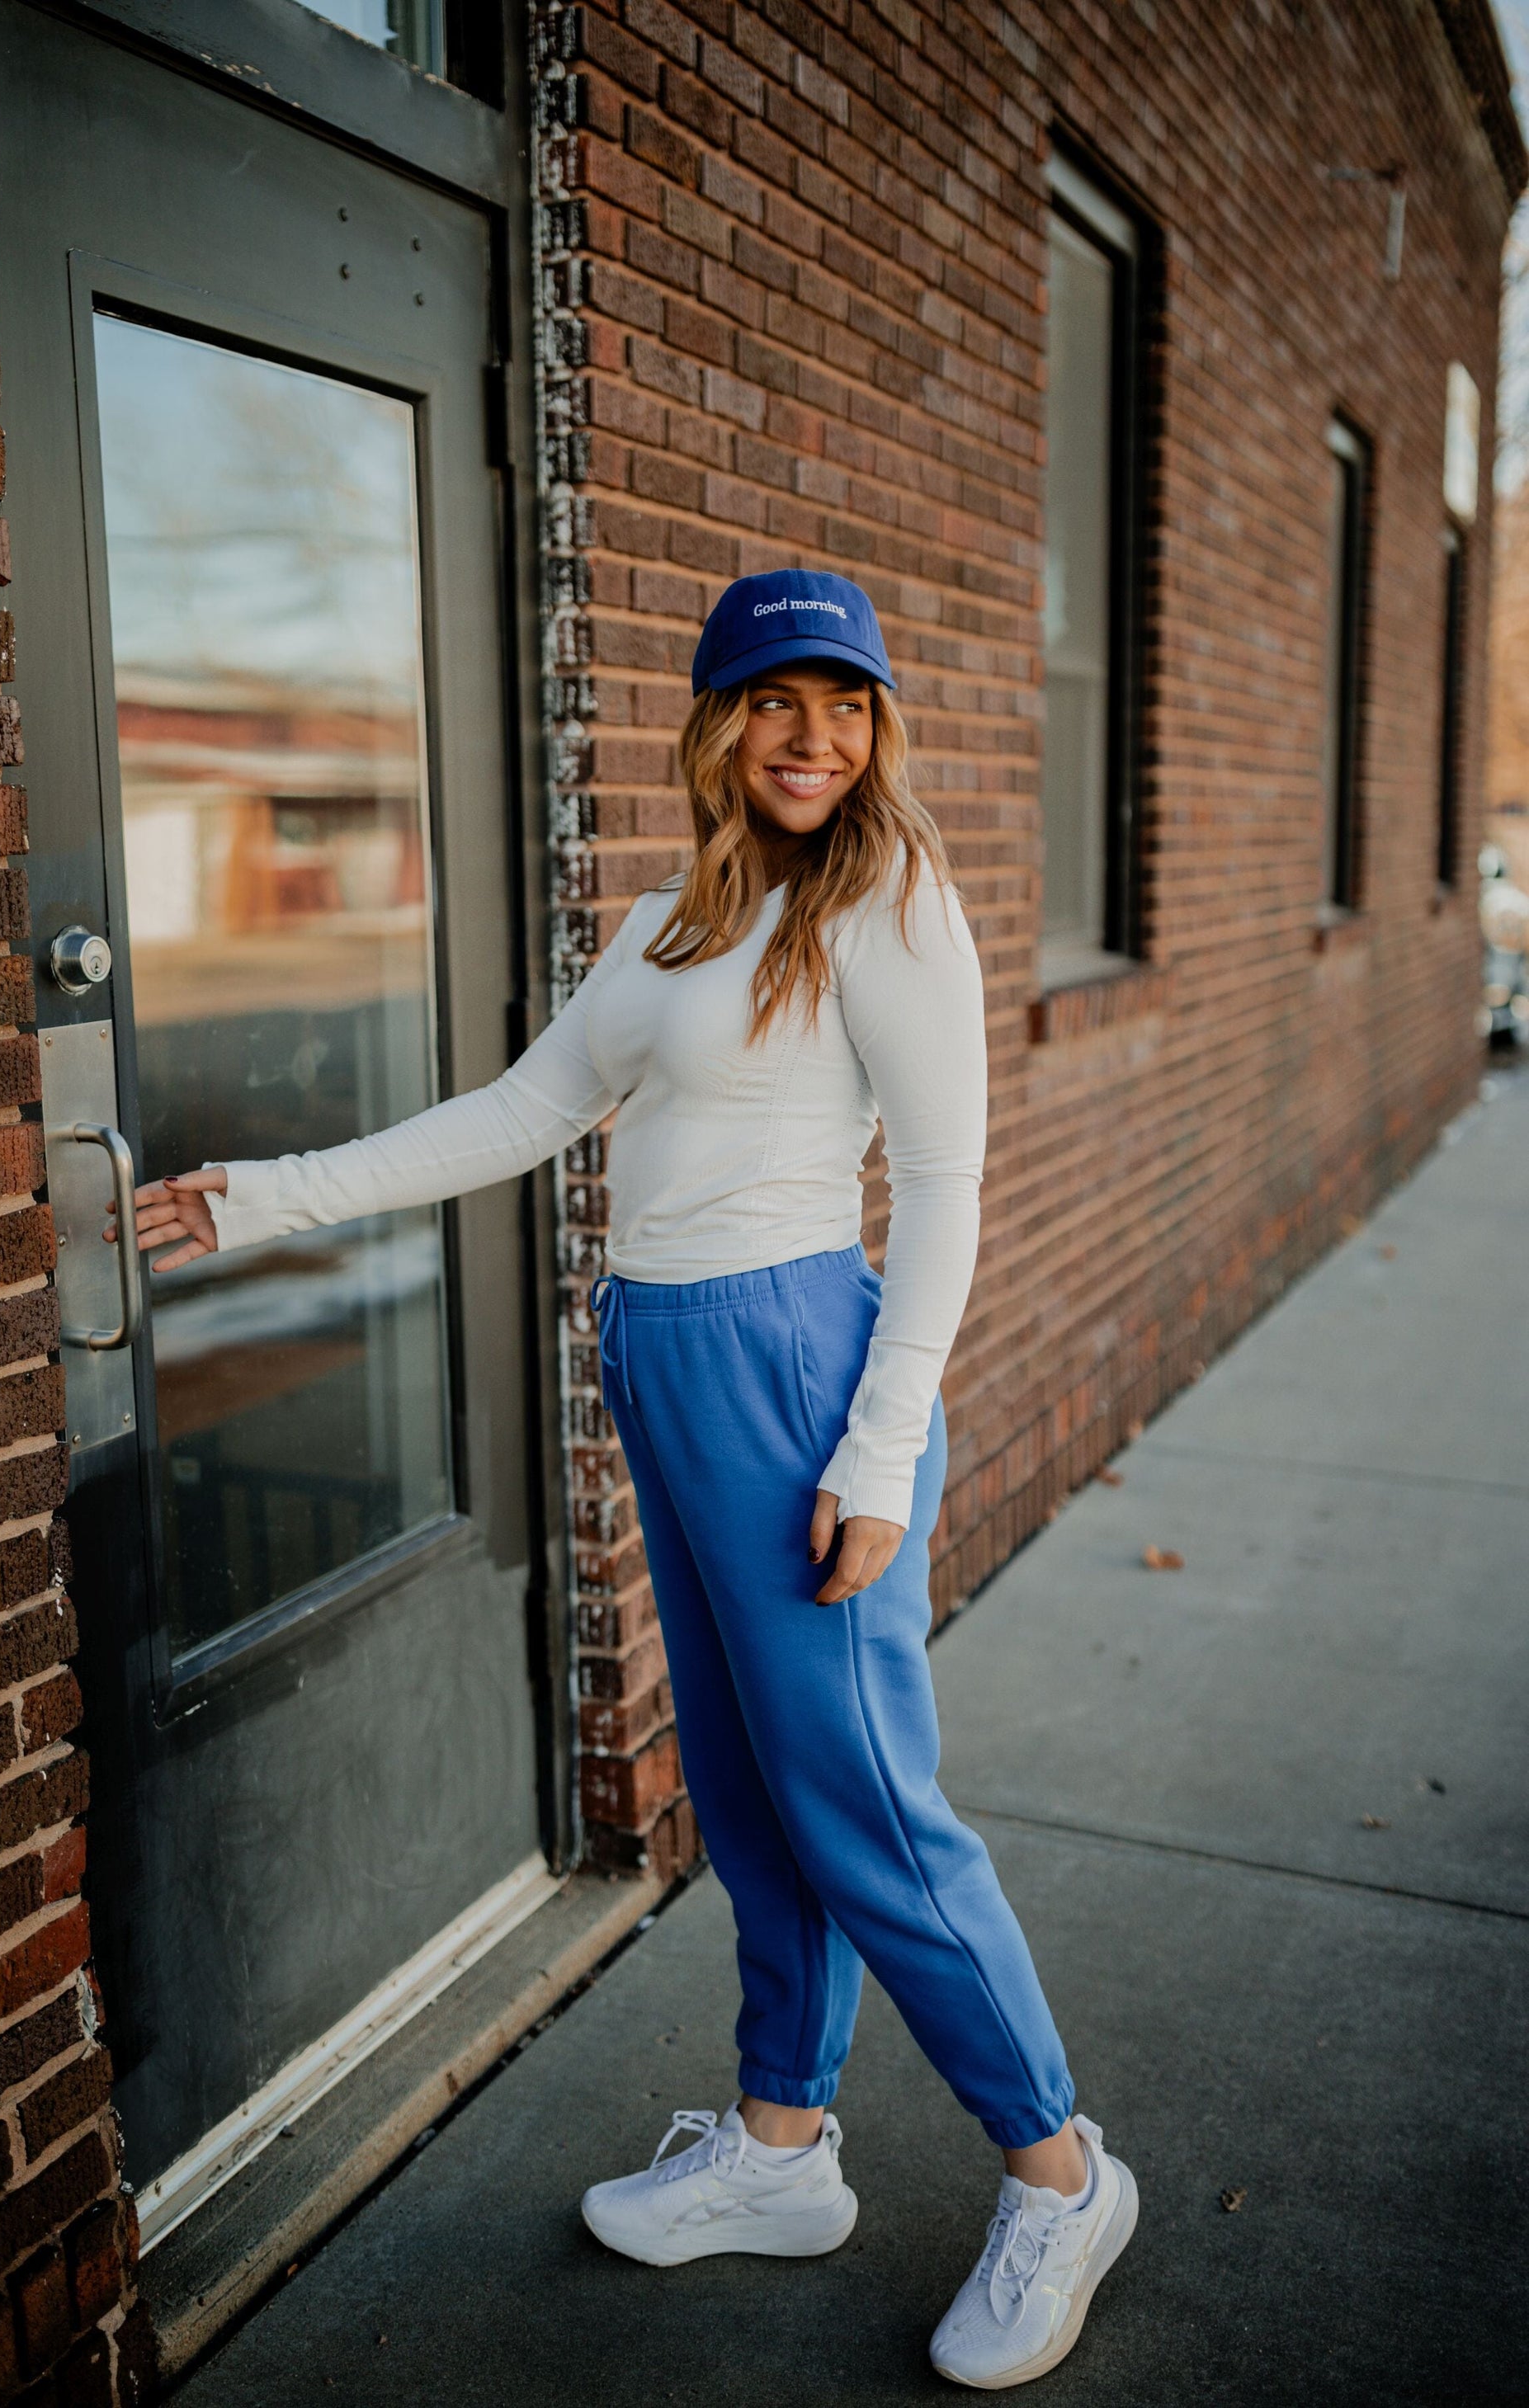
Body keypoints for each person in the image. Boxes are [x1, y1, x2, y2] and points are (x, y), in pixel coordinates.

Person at [124, 568, 1136, 2388]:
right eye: (772, 699)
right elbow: (519, 1111)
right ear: (717, 725)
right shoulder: (671, 921)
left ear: (876, 727)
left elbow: (949, 1188)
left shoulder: (893, 907)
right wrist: (262, 1192)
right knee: (749, 1797)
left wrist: (882, 1442)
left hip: (798, 1364)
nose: (808, 734)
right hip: (668, 1363)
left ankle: (1060, 2166)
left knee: (870, 1813)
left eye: (840, 702)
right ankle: (778, 2144)